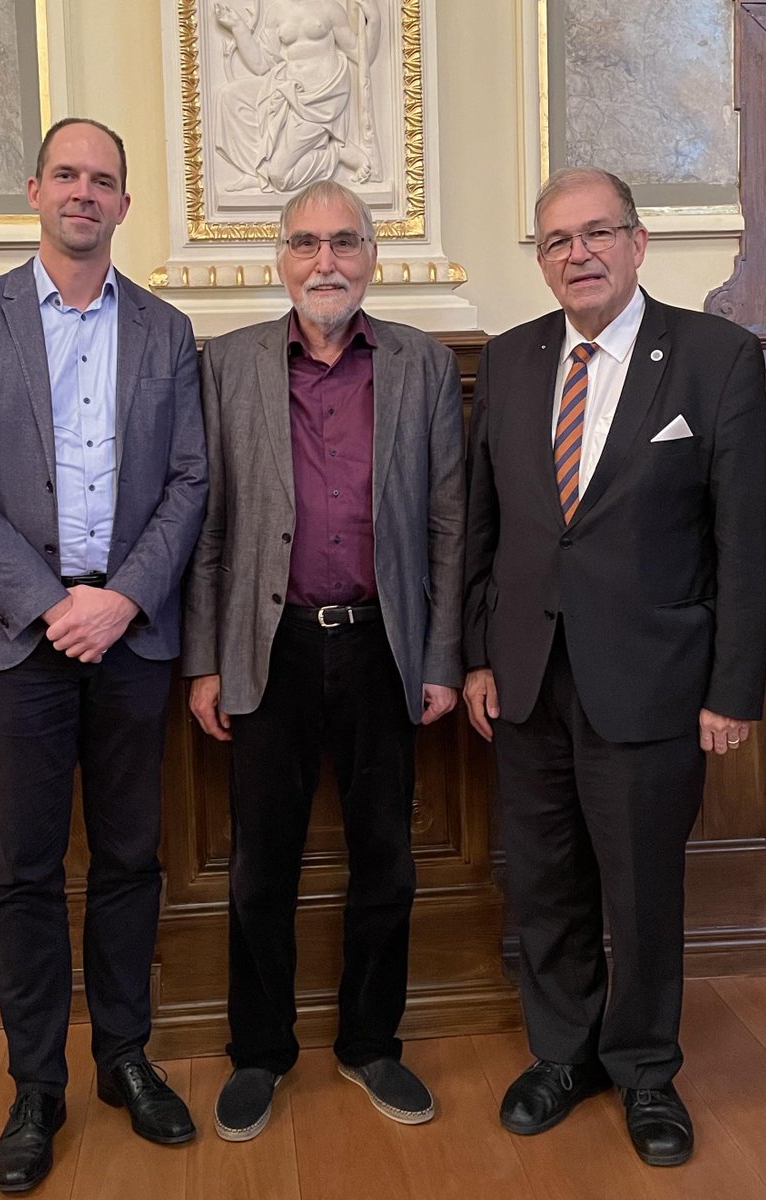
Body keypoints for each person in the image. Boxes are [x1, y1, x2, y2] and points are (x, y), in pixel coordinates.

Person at [463, 166, 766, 1167]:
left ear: (639, 243)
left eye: (598, 233)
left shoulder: (713, 358)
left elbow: (749, 539)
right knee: (547, 882)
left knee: (641, 891)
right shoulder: (509, 363)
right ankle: (565, 1055)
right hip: (525, 680)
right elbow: (485, 531)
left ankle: (645, 1069)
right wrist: (478, 658)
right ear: (543, 258)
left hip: (653, 682)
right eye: (557, 240)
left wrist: (733, 689)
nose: (579, 254)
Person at [0, 118, 208, 1193]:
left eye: (106, 181)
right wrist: (54, 607)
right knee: (27, 870)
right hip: (15, 638)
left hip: (132, 637)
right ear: (34, 190)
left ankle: (124, 1057)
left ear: (125, 206)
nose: (86, 193)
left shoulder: (168, 333)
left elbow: (189, 482)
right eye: (69, 175)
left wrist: (121, 598)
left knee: (132, 857)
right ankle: (36, 1085)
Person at [183, 179, 464, 1140]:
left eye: (343, 242)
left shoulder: (423, 366)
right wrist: (204, 661)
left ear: (372, 256)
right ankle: (258, 1053)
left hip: (387, 643)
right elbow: (207, 526)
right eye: (305, 243)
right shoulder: (224, 366)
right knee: (261, 861)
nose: (325, 262)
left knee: (386, 856)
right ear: (280, 260)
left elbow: (448, 524)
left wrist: (439, 656)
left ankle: (369, 1044)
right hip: (270, 647)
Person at [213, 0, 381, 192]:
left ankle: (337, 152)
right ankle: (255, 172)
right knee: (230, 96)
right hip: (286, 88)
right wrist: (237, 26)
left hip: (320, 98)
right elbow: (261, 64)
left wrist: (374, 20)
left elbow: (361, 55)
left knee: (280, 177)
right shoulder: (276, 11)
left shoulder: (330, 8)